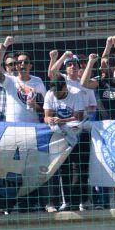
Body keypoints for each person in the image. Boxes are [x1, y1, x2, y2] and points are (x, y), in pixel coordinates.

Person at [43, 76, 89, 211]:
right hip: (60, 135)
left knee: (78, 169)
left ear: (65, 87)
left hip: (78, 133)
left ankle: (79, 201)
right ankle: (67, 201)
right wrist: (50, 119)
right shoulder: (50, 94)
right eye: (54, 92)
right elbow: (46, 116)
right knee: (63, 168)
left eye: (58, 92)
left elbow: (79, 116)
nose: (56, 95)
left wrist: (62, 120)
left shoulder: (76, 93)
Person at [0, 37, 46, 123]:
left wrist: (35, 106)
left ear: (30, 66)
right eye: (19, 62)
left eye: (26, 62)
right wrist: (2, 48)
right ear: (16, 66)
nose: (22, 64)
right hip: (12, 127)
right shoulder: (9, 80)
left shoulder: (38, 81)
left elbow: (46, 108)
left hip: (33, 126)